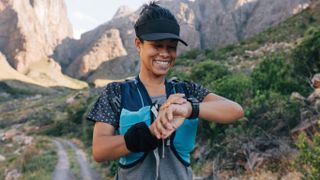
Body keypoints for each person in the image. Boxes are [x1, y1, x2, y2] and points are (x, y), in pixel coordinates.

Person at [87, 2, 244, 179]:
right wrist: (149, 133)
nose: (165, 54)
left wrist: (190, 108)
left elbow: (235, 110)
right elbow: (99, 150)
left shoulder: (187, 90)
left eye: (171, 47)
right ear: (139, 44)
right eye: (157, 45)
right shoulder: (116, 93)